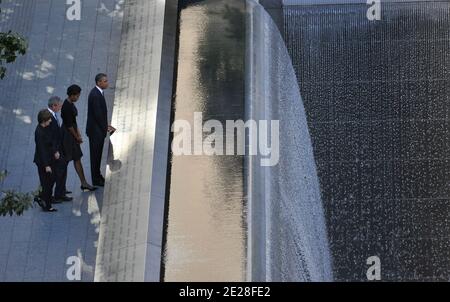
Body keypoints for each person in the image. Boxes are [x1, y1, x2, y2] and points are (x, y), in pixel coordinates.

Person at [61, 85, 97, 192]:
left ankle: (83, 183)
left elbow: (73, 123)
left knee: (77, 158)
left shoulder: (69, 104)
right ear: (72, 95)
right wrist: (77, 137)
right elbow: (69, 126)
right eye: (77, 96)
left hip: (71, 135)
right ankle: (61, 188)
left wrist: (78, 134)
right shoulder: (67, 107)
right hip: (68, 137)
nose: (78, 98)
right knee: (66, 161)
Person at [86, 73, 115, 187]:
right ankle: (96, 179)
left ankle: (97, 176)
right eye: (105, 81)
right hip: (95, 132)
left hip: (98, 130)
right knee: (95, 156)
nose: (107, 83)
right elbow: (98, 115)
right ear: (99, 83)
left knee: (97, 156)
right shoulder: (96, 95)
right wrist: (106, 127)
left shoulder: (98, 93)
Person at [47, 96, 73, 202]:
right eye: (59, 106)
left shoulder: (53, 115)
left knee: (62, 169)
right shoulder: (48, 117)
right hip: (54, 151)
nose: (60, 108)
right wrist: (55, 151)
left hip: (59, 149)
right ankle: (56, 194)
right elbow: (49, 137)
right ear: (54, 105)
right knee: (57, 172)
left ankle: (61, 191)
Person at [34, 109, 58, 212]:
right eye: (48, 119)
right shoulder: (39, 132)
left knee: (50, 180)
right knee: (47, 182)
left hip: (49, 158)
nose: (50, 121)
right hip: (43, 161)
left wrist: (55, 151)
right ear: (43, 121)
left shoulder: (45, 128)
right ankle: (47, 205)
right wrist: (46, 165)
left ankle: (42, 197)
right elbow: (42, 149)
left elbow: (50, 142)